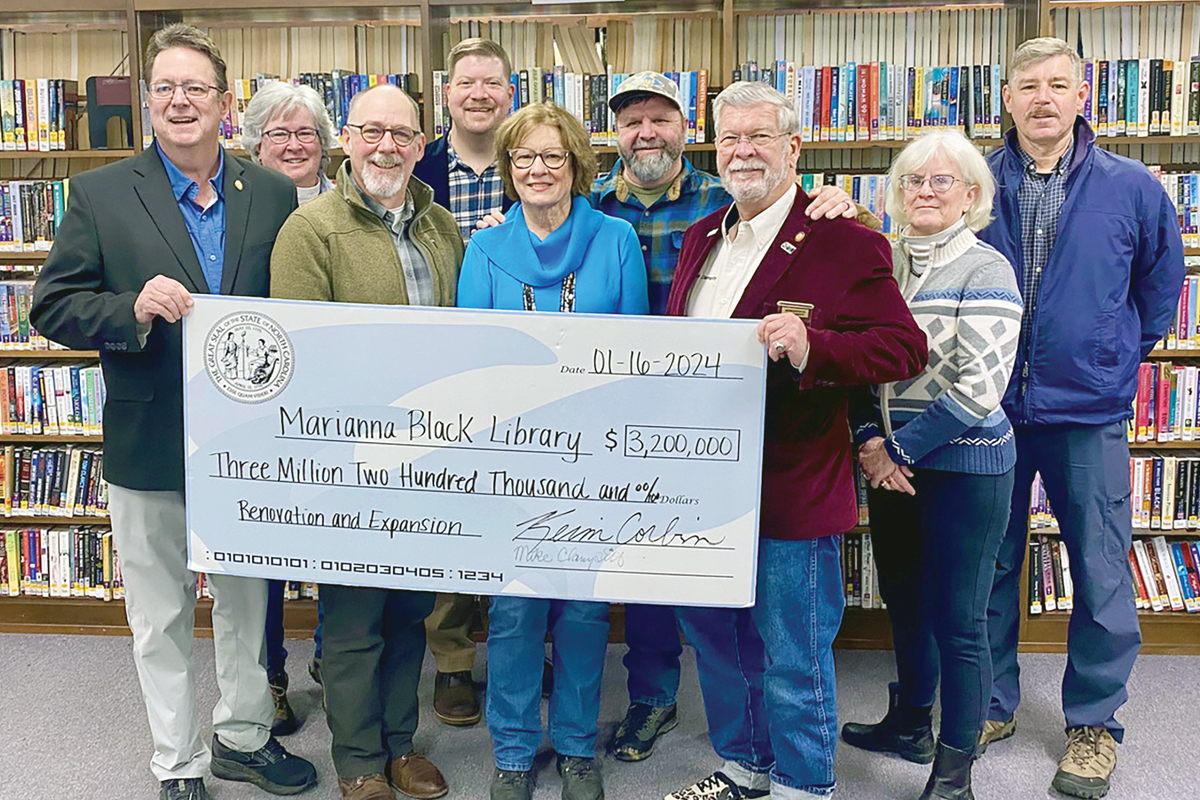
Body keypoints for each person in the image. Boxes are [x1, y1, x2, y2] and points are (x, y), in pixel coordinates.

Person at [29, 23, 317, 800]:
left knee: (245, 603)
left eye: (196, 87)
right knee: (159, 616)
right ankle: (177, 764)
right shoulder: (99, 193)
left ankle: (244, 738)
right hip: (149, 434)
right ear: (149, 102)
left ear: (226, 104)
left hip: (245, 440)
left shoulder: (274, 193)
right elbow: (50, 306)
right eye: (165, 87)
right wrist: (130, 306)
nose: (180, 100)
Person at [590, 70, 865, 763]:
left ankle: (796, 770)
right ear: (615, 133)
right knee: (664, 588)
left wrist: (834, 206)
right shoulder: (589, 207)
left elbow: (848, 297)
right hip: (626, 418)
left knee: (774, 621)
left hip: (741, 436)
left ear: (689, 133)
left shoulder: (728, 203)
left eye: (661, 119)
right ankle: (662, 706)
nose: (645, 132)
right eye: (631, 121)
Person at [663, 81, 927, 800]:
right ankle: (745, 764)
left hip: (793, 486)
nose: (743, 151)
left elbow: (904, 349)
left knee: (792, 654)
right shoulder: (700, 237)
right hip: (702, 488)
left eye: (759, 137)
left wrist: (816, 348)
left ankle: (805, 785)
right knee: (718, 644)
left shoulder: (843, 239)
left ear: (793, 148)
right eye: (730, 139)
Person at [975, 37, 1184, 800]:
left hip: (1087, 411)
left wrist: (1115, 352)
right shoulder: (971, 182)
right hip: (988, 408)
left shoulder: (1132, 186)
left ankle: (1094, 724)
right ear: (1006, 98)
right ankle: (990, 705)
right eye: (1027, 85)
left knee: (1100, 568)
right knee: (987, 565)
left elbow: (1160, 285)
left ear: (1083, 95)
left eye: (1057, 84)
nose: (1042, 98)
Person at [269, 83, 462, 800]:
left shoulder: (443, 228)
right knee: (351, 621)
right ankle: (358, 762)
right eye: (371, 131)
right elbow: (302, 354)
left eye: (403, 135)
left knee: (409, 612)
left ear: (420, 144)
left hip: (427, 461)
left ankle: (400, 747)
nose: (387, 147)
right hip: (347, 463)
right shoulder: (311, 229)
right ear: (346, 138)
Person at [457, 102, 648, 800]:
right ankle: (511, 749)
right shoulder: (482, 248)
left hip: (595, 459)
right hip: (510, 464)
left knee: (584, 609)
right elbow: (473, 365)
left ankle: (574, 745)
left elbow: (635, 353)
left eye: (553, 157)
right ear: (509, 170)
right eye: (524, 158)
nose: (538, 169)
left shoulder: (616, 239)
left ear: (576, 166)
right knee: (513, 612)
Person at [841, 128, 1022, 800]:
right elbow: (859, 362)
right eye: (913, 181)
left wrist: (896, 452)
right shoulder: (881, 263)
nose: (924, 191)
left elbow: (980, 389)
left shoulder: (986, 269)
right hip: (893, 467)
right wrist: (867, 438)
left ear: (970, 195)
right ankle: (911, 723)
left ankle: (954, 772)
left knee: (960, 621)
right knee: (907, 605)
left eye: (941, 181)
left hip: (966, 469)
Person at [411, 36, 517, 727]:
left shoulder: (535, 158)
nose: (479, 93)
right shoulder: (414, 164)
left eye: (492, 83)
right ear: (446, 95)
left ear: (511, 93)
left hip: (522, 365)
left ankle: (515, 648)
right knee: (450, 518)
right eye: (466, 82)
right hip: (437, 365)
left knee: (520, 508)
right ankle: (452, 661)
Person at [239, 77, 339, 735]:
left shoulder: (349, 203)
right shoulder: (240, 209)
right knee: (265, 549)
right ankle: (269, 674)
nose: (296, 144)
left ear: (328, 145)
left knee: (339, 540)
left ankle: (335, 664)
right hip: (262, 399)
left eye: (307, 132)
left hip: (340, 401)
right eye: (280, 132)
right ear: (254, 144)